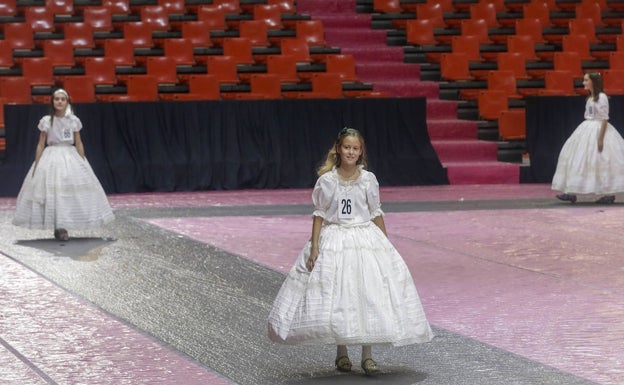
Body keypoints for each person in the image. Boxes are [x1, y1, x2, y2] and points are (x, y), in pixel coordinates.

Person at [268, 127, 433, 375]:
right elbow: (319, 215)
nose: (351, 152)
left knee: (368, 294)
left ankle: (368, 355)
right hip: (335, 240)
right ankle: (341, 351)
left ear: (360, 152)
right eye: (347, 147)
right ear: (338, 148)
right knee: (338, 296)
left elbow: (375, 212)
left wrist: (385, 245)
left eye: (355, 148)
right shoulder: (327, 181)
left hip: (364, 239)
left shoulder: (368, 180)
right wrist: (314, 247)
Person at [13, 88, 114, 240]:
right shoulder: (47, 121)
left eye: (63, 99)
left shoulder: (73, 120)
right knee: (53, 191)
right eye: (57, 99)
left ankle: (65, 223)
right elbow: (41, 144)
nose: (59, 102)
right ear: (52, 102)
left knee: (69, 192)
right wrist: (37, 164)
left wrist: (82, 161)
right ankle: (59, 227)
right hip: (52, 156)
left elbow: (78, 142)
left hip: (69, 156)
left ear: (67, 102)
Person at [553, 72, 624, 204]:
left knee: (602, 160)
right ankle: (570, 192)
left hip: (597, 129)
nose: (583, 83)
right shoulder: (590, 97)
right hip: (587, 127)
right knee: (577, 158)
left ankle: (607, 194)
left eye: (586, 80)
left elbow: (604, 118)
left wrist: (600, 138)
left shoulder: (601, 97)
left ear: (593, 82)